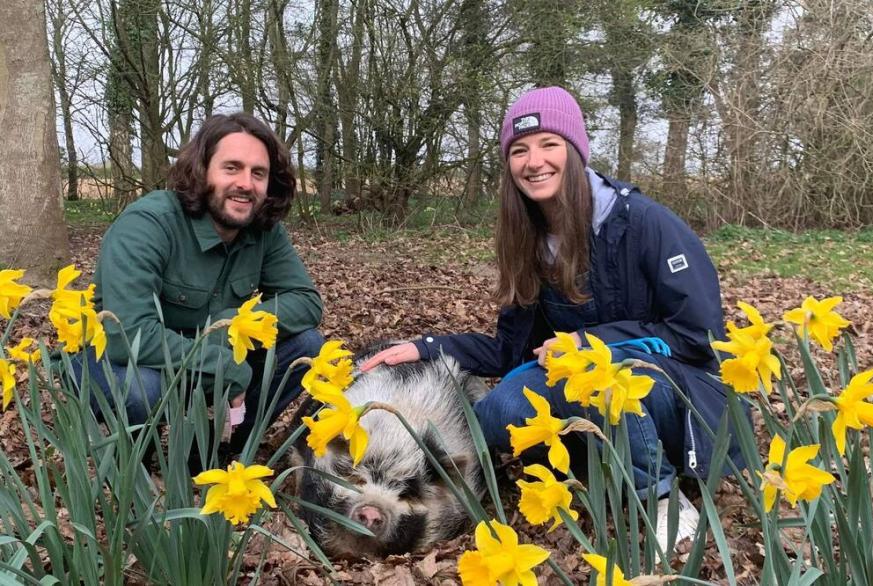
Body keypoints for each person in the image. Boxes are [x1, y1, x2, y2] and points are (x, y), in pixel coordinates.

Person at [361, 86, 746, 551]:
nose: (533, 160)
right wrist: (426, 347)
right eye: (519, 150)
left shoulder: (646, 223)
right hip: (581, 380)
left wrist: (590, 343)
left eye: (549, 144)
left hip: (678, 392)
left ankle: (662, 497)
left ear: (576, 151)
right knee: (496, 414)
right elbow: (510, 351)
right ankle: (591, 463)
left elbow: (698, 337)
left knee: (605, 378)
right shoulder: (530, 242)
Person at [73, 112, 323, 456]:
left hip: (201, 359)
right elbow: (128, 336)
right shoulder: (148, 223)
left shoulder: (264, 230)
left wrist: (230, 329)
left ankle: (216, 449)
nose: (246, 184)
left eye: (258, 173)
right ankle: (131, 462)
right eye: (231, 168)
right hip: (120, 360)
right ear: (202, 170)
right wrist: (222, 362)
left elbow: (307, 302)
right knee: (141, 388)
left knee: (305, 344)